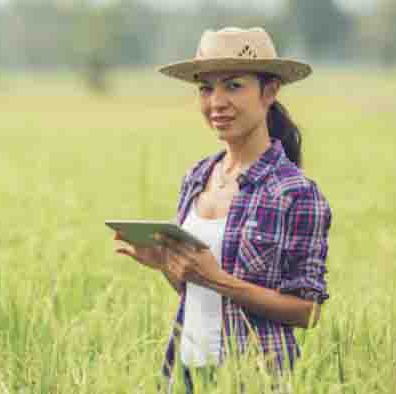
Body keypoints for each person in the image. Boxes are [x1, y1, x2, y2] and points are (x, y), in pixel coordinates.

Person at [113, 27, 332, 393]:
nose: (216, 102)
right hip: (186, 371)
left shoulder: (294, 192)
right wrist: (167, 265)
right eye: (205, 88)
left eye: (233, 86)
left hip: (256, 377)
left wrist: (219, 279)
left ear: (270, 91)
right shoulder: (198, 177)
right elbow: (196, 292)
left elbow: (307, 311)